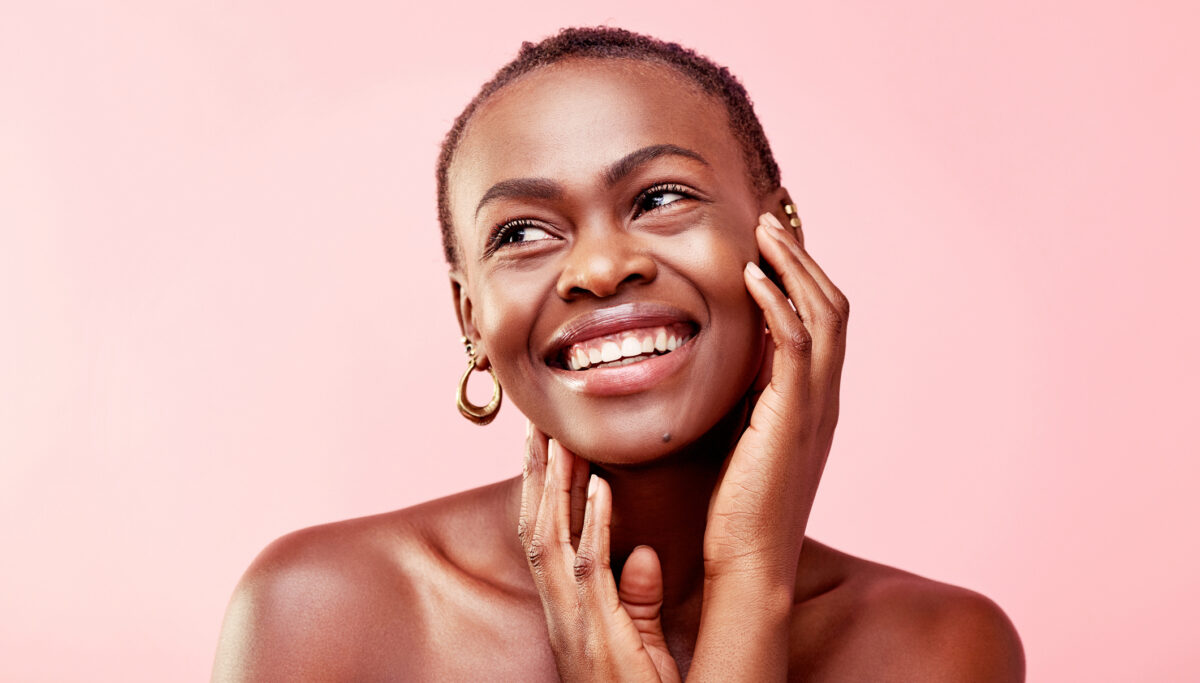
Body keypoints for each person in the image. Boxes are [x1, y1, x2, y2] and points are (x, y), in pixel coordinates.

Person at [212, 27, 1024, 681]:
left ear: (782, 237)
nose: (600, 268)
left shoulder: (938, 648)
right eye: (522, 232)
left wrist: (750, 582)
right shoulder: (326, 611)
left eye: (660, 197)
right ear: (470, 314)